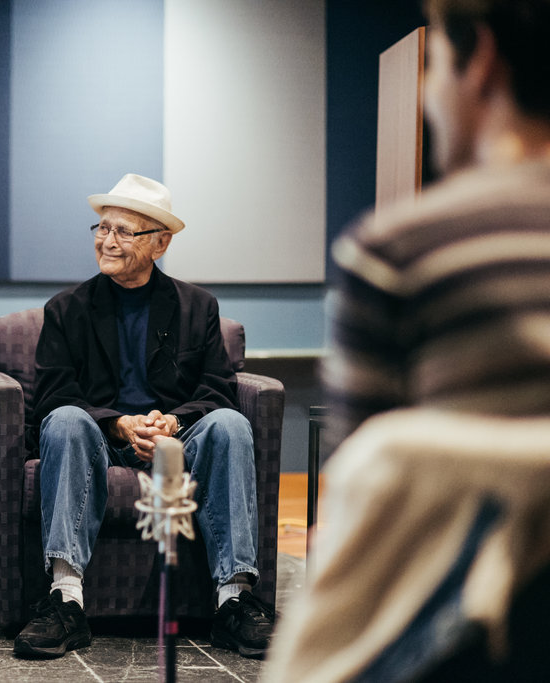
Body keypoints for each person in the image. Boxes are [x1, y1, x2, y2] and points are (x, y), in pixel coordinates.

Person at [264, 0, 550, 679]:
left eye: (435, 66)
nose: (427, 95)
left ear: (480, 61)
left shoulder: (397, 253)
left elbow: (367, 517)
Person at [12, 173, 274, 660]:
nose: (107, 241)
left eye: (123, 231)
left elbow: (216, 389)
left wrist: (172, 424)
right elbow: (53, 394)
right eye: (102, 228)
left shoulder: (198, 307)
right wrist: (119, 424)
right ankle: (65, 600)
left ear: (161, 243)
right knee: (65, 420)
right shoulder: (67, 310)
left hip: (178, 436)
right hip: (100, 436)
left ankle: (234, 601)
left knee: (231, 424)